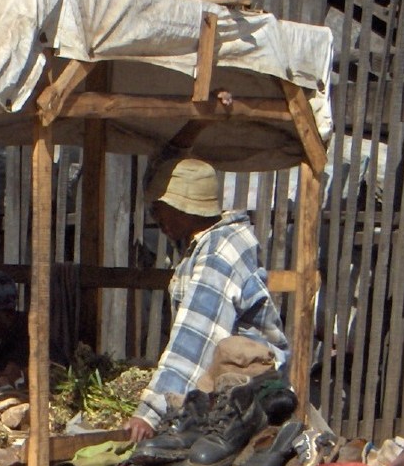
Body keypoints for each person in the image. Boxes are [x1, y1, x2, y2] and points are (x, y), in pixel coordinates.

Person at [123, 156, 289, 441]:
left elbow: (195, 339)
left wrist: (150, 412)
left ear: (183, 208)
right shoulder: (203, 240)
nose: (155, 215)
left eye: (161, 208)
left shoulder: (217, 256)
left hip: (248, 394)